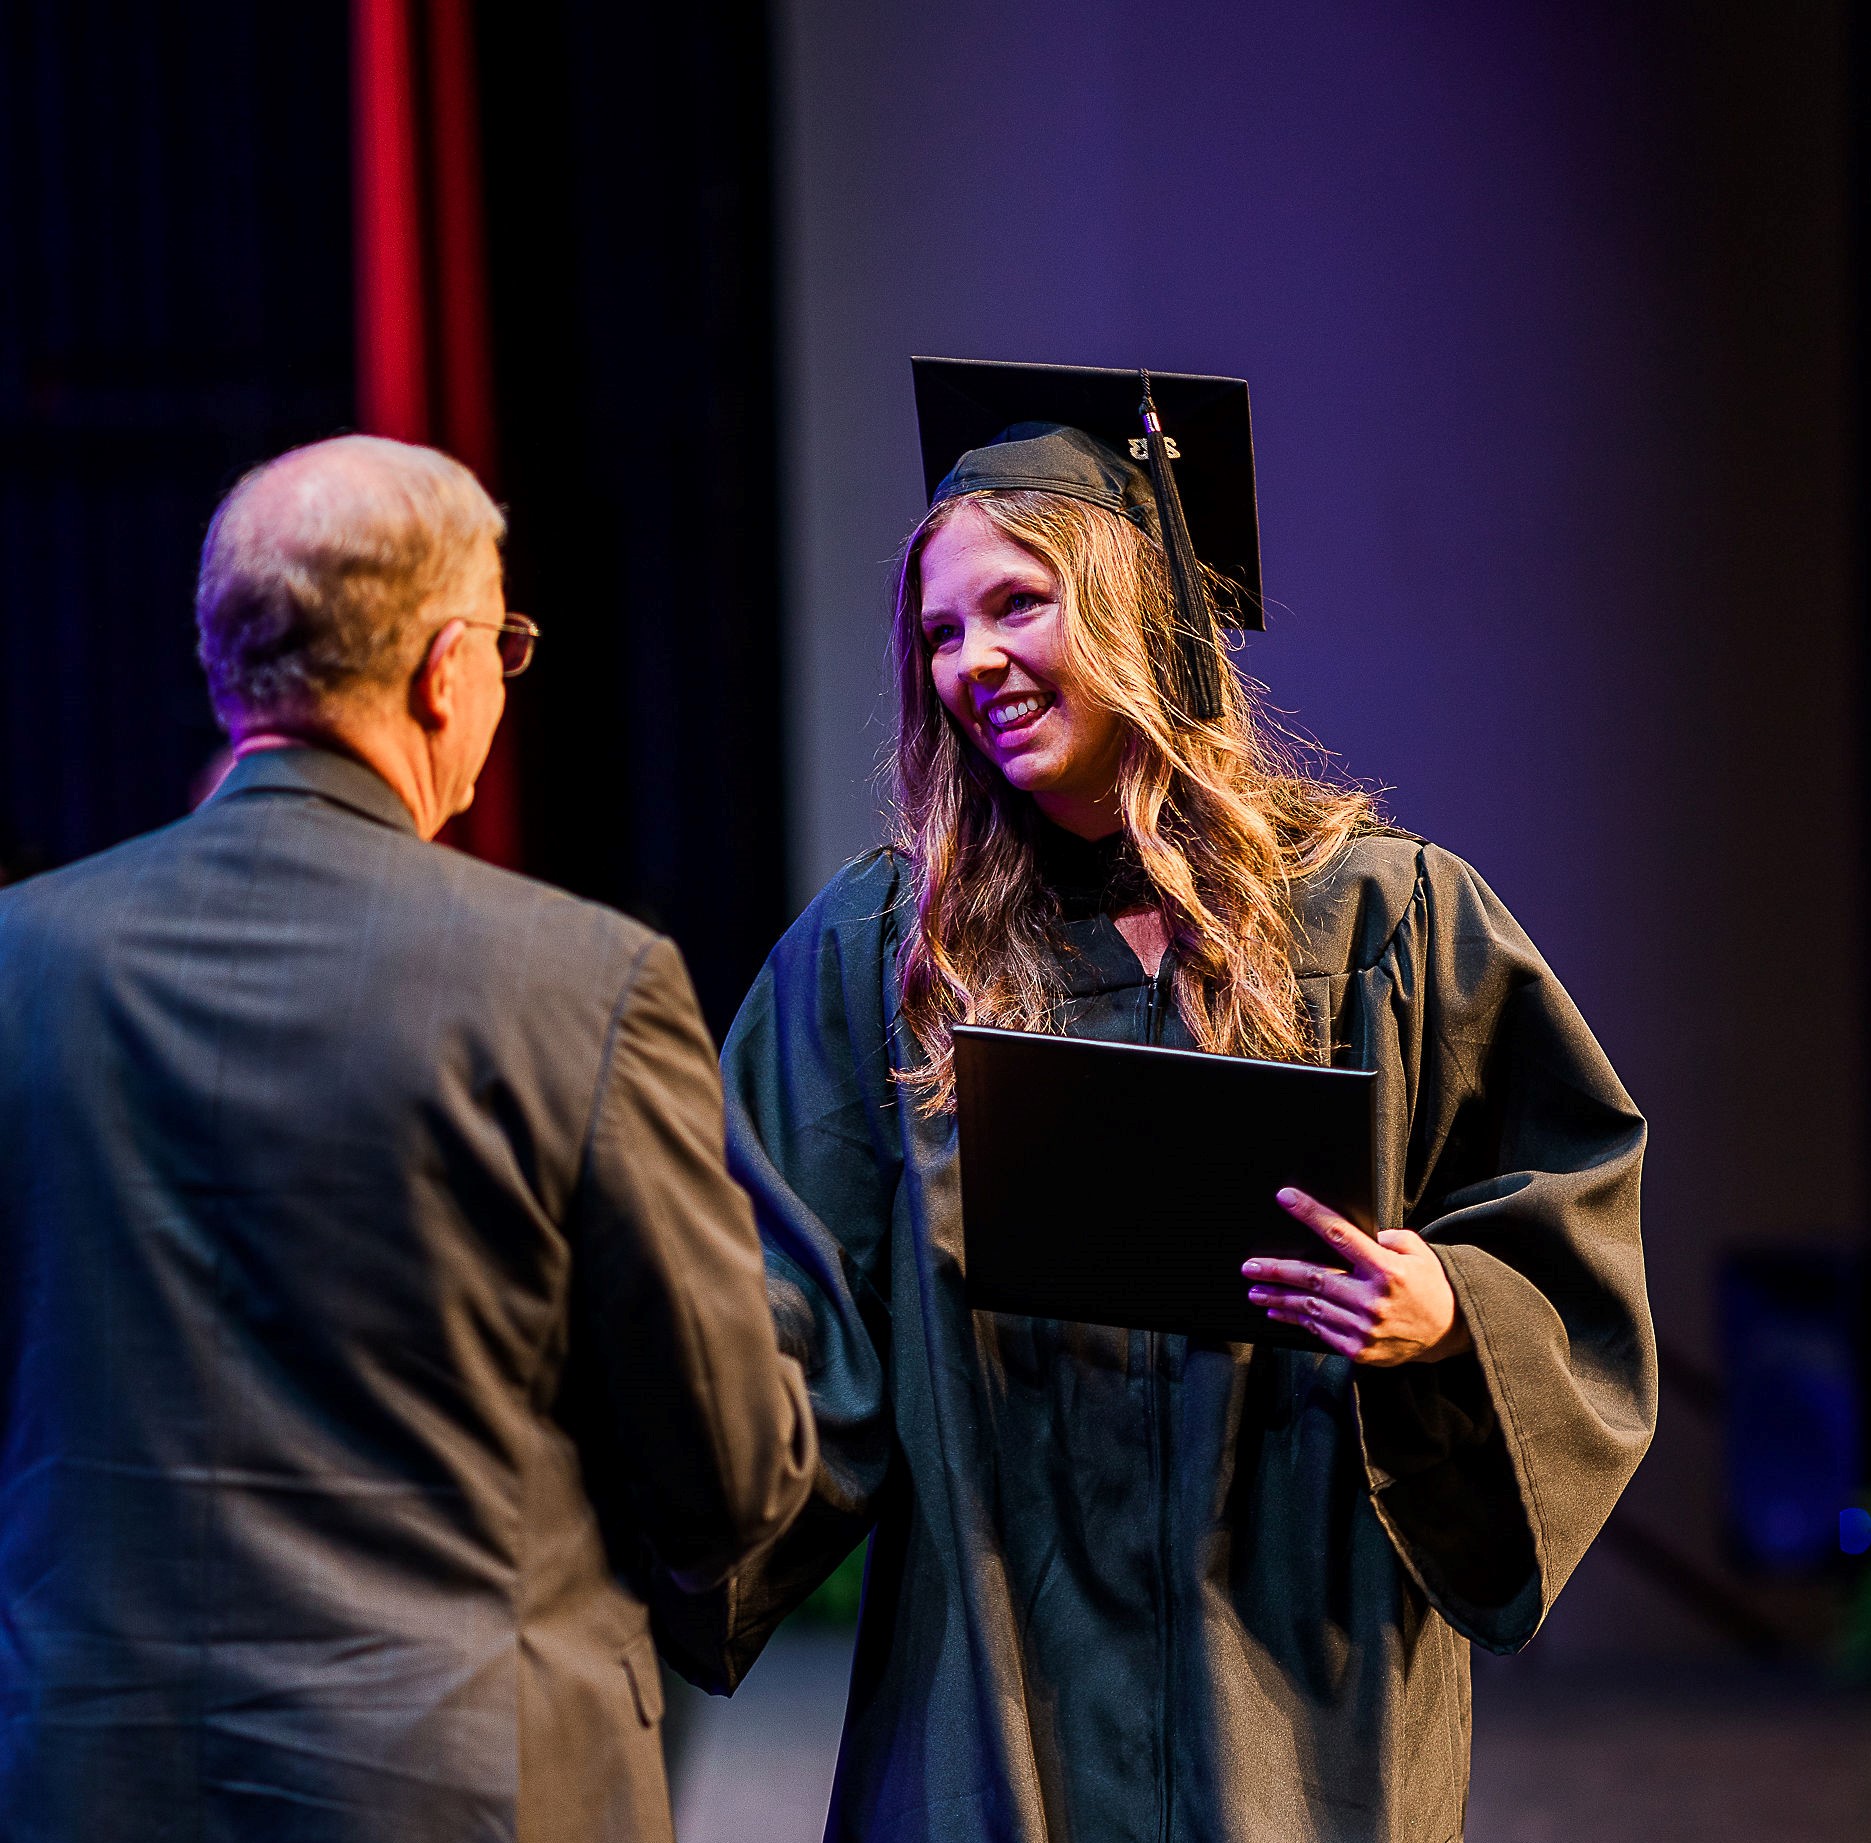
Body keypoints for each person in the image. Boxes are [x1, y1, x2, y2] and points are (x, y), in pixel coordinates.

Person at [654, 361, 1656, 1841]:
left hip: (1294, 1685)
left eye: (1019, 605)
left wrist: (1443, 1312)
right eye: (939, 631)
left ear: (1137, 608)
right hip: (989, 1691)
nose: (970, 662)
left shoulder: (1387, 921)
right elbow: (758, 1290)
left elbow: (1564, 1234)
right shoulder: (883, 959)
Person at [0, 435, 815, 1842]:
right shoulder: (583, 984)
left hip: (83, 1781)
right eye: (507, 639)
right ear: (448, 668)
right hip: (463, 1794)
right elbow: (729, 1473)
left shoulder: (21, 962)